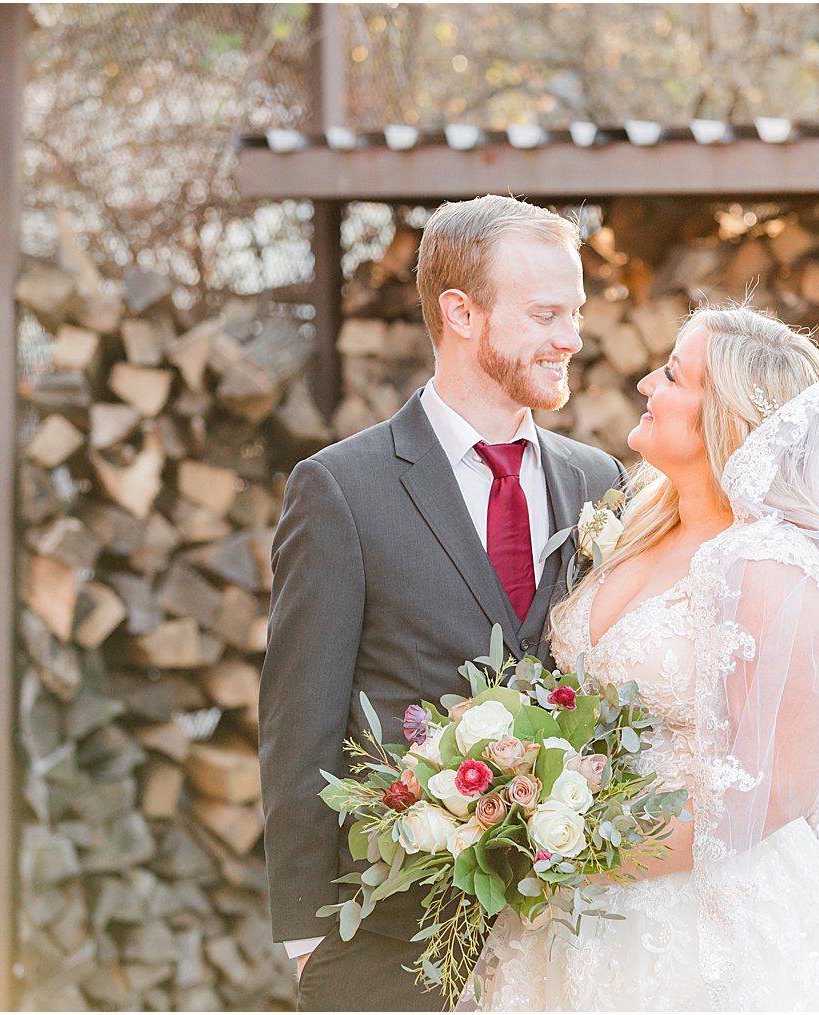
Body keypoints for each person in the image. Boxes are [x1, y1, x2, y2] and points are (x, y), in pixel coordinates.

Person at [463, 305, 819, 1011]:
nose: (645, 382)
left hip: (701, 924)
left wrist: (595, 854)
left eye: (672, 374)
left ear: (724, 414)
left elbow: (784, 787)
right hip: (568, 904)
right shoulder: (635, 523)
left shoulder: (769, 564)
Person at [259, 195, 626, 1011]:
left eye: (575, 312)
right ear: (461, 312)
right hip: (391, 942)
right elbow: (299, 719)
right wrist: (308, 935)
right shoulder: (341, 489)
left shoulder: (600, 482)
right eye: (543, 313)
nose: (569, 337)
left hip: (571, 937)